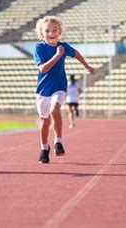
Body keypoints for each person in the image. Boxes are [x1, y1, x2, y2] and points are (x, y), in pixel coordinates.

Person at [33, 16, 94, 164]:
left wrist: (85, 65)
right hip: (43, 90)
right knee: (44, 122)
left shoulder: (63, 46)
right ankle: (43, 148)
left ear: (59, 32)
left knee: (55, 110)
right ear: (41, 33)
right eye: (47, 31)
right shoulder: (39, 48)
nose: (51, 33)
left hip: (59, 87)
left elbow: (76, 53)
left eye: (54, 30)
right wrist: (57, 56)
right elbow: (43, 68)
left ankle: (58, 142)